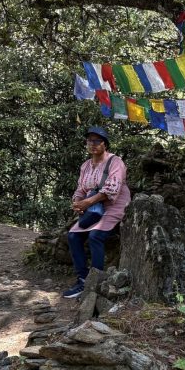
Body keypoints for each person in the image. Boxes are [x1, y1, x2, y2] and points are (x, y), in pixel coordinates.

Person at [62, 126, 131, 298]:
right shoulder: (85, 166)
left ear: (105, 144)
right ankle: (83, 280)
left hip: (113, 204)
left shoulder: (115, 162)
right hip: (92, 207)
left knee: (95, 236)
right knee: (73, 236)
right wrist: (77, 203)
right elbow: (81, 189)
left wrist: (87, 202)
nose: (93, 144)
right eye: (90, 141)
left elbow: (112, 188)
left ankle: (97, 282)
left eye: (97, 141)